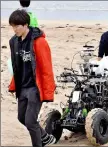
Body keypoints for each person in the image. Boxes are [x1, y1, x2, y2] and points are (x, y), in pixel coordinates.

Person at [8, 9, 56, 147]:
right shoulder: (14, 42)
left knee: (30, 121)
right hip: (23, 86)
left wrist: (48, 91)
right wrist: (13, 85)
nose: (14, 29)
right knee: (21, 117)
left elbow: (47, 68)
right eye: (12, 26)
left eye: (17, 26)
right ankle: (45, 137)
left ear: (25, 25)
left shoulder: (39, 42)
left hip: (36, 87)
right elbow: (16, 66)